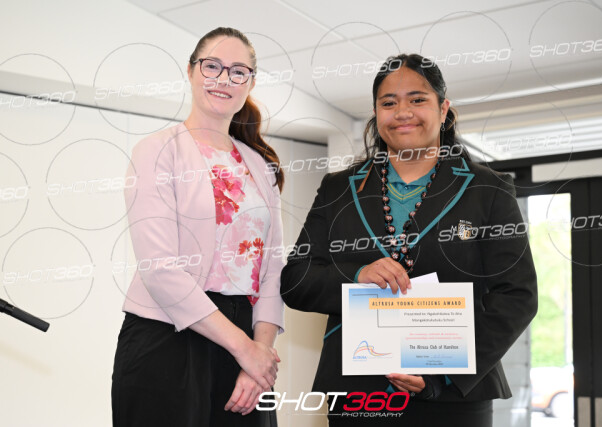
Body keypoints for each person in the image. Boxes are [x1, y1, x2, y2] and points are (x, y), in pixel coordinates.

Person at [280, 53, 537, 426]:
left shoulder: (489, 189)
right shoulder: (338, 189)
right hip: (359, 392)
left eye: (417, 99)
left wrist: (442, 374)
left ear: (443, 109)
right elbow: (295, 279)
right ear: (376, 113)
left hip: (453, 395)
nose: (402, 112)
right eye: (389, 103)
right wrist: (358, 275)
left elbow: (517, 295)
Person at [111, 27, 285, 427]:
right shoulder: (156, 150)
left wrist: (258, 353)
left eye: (238, 71)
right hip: (166, 339)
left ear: (250, 83)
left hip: (245, 344)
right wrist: (245, 349)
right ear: (190, 71)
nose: (224, 79)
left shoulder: (260, 166)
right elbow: (159, 268)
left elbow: (272, 269)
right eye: (212, 66)